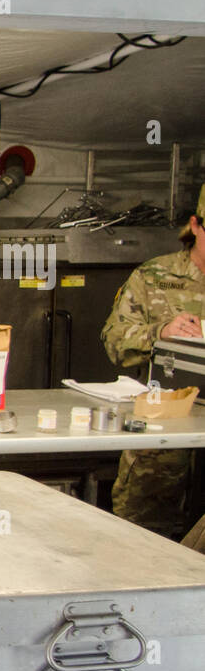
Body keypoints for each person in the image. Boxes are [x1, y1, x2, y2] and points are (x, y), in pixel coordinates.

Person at [99, 185, 205, 537]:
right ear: (195, 225)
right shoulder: (154, 277)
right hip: (160, 460)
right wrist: (161, 332)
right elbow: (114, 342)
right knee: (143, 558)